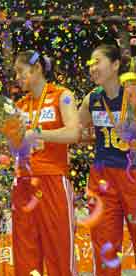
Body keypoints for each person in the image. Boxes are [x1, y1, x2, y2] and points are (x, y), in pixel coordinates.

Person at [10, 50, 80, 275]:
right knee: (25, 254)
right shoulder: (19, 105)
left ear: (37, 68)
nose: (17, 78)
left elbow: (73, 133)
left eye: (20, 71)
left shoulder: (63, 95)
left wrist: (39, 134)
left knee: (59, 251)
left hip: (53, 179)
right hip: (23, 181)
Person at [79, 44, 136, 276]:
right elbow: (76, 131)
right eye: (91, 63)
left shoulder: (132, 96)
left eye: (97, 61)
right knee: (105, 246)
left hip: (132, 174)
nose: (92, 67)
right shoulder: (91, 99)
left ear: (115, 65)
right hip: (102, 178)